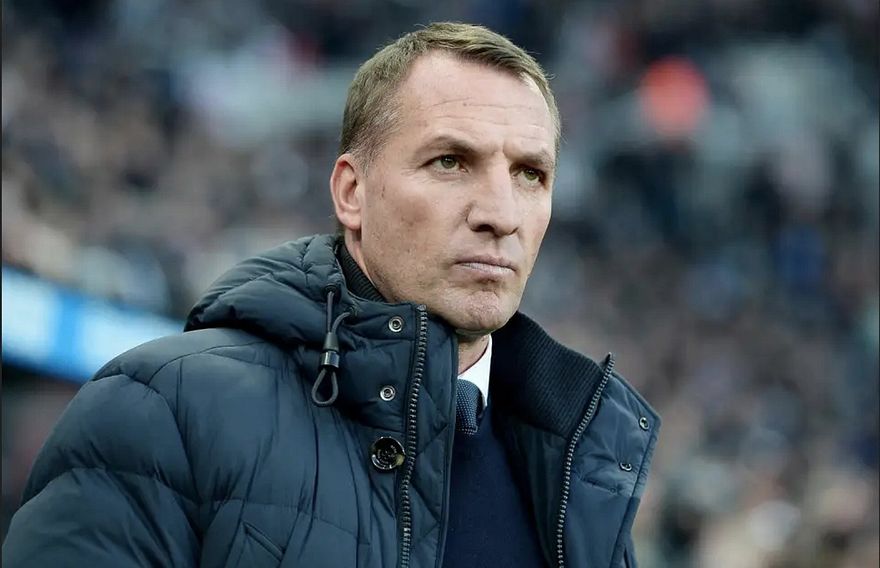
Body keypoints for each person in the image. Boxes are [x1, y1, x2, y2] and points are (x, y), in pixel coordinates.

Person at [3, 22, 660, 567]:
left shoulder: (578, 485)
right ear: (351, 192)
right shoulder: (161, 411)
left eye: (530, 174)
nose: (501, 213)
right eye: (450, 162)